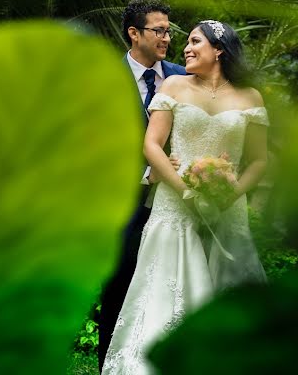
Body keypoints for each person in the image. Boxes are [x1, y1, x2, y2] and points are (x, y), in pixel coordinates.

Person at [102, 20, 268, 375]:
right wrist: (186, 191)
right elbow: (151, 145)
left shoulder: (250, 98)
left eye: (195, 42)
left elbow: (259, 160)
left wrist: (232, 193)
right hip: (174, 207)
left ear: (219, 49)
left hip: (227, 209)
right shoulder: (174, 86)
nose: (185, 48)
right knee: (163, 293)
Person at [98, 0, 187, 371]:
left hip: (177, 208)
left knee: (171, 294)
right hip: (123, 210)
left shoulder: (184, 77)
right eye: (159, 30)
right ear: (134, 34)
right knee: (118, 294)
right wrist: (145, 176)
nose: (167, 37)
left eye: (169, 30)